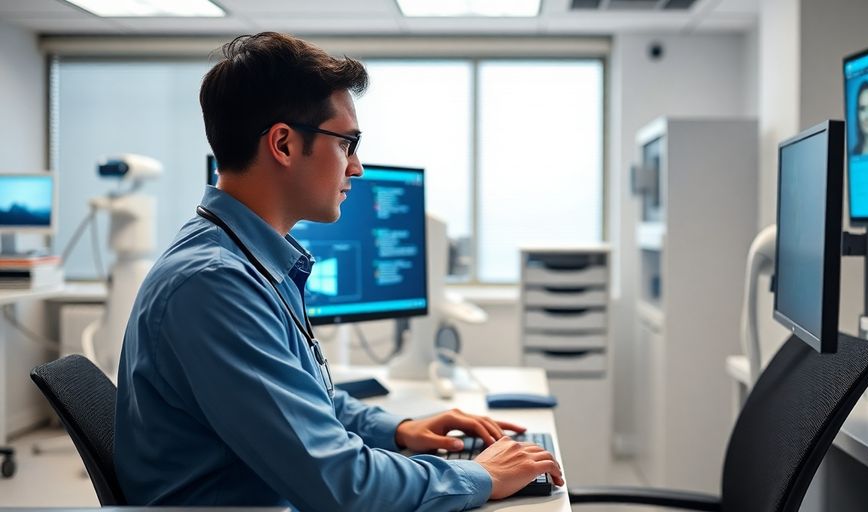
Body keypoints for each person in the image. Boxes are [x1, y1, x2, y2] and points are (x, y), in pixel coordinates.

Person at [114, 32, 563, 511]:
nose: (358, 167)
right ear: (283, 144)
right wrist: (479, 474)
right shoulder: (214, 284)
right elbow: (341, 484)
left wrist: (400, 430)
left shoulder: (247, 259)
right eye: (347, 143)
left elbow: (301, 403)